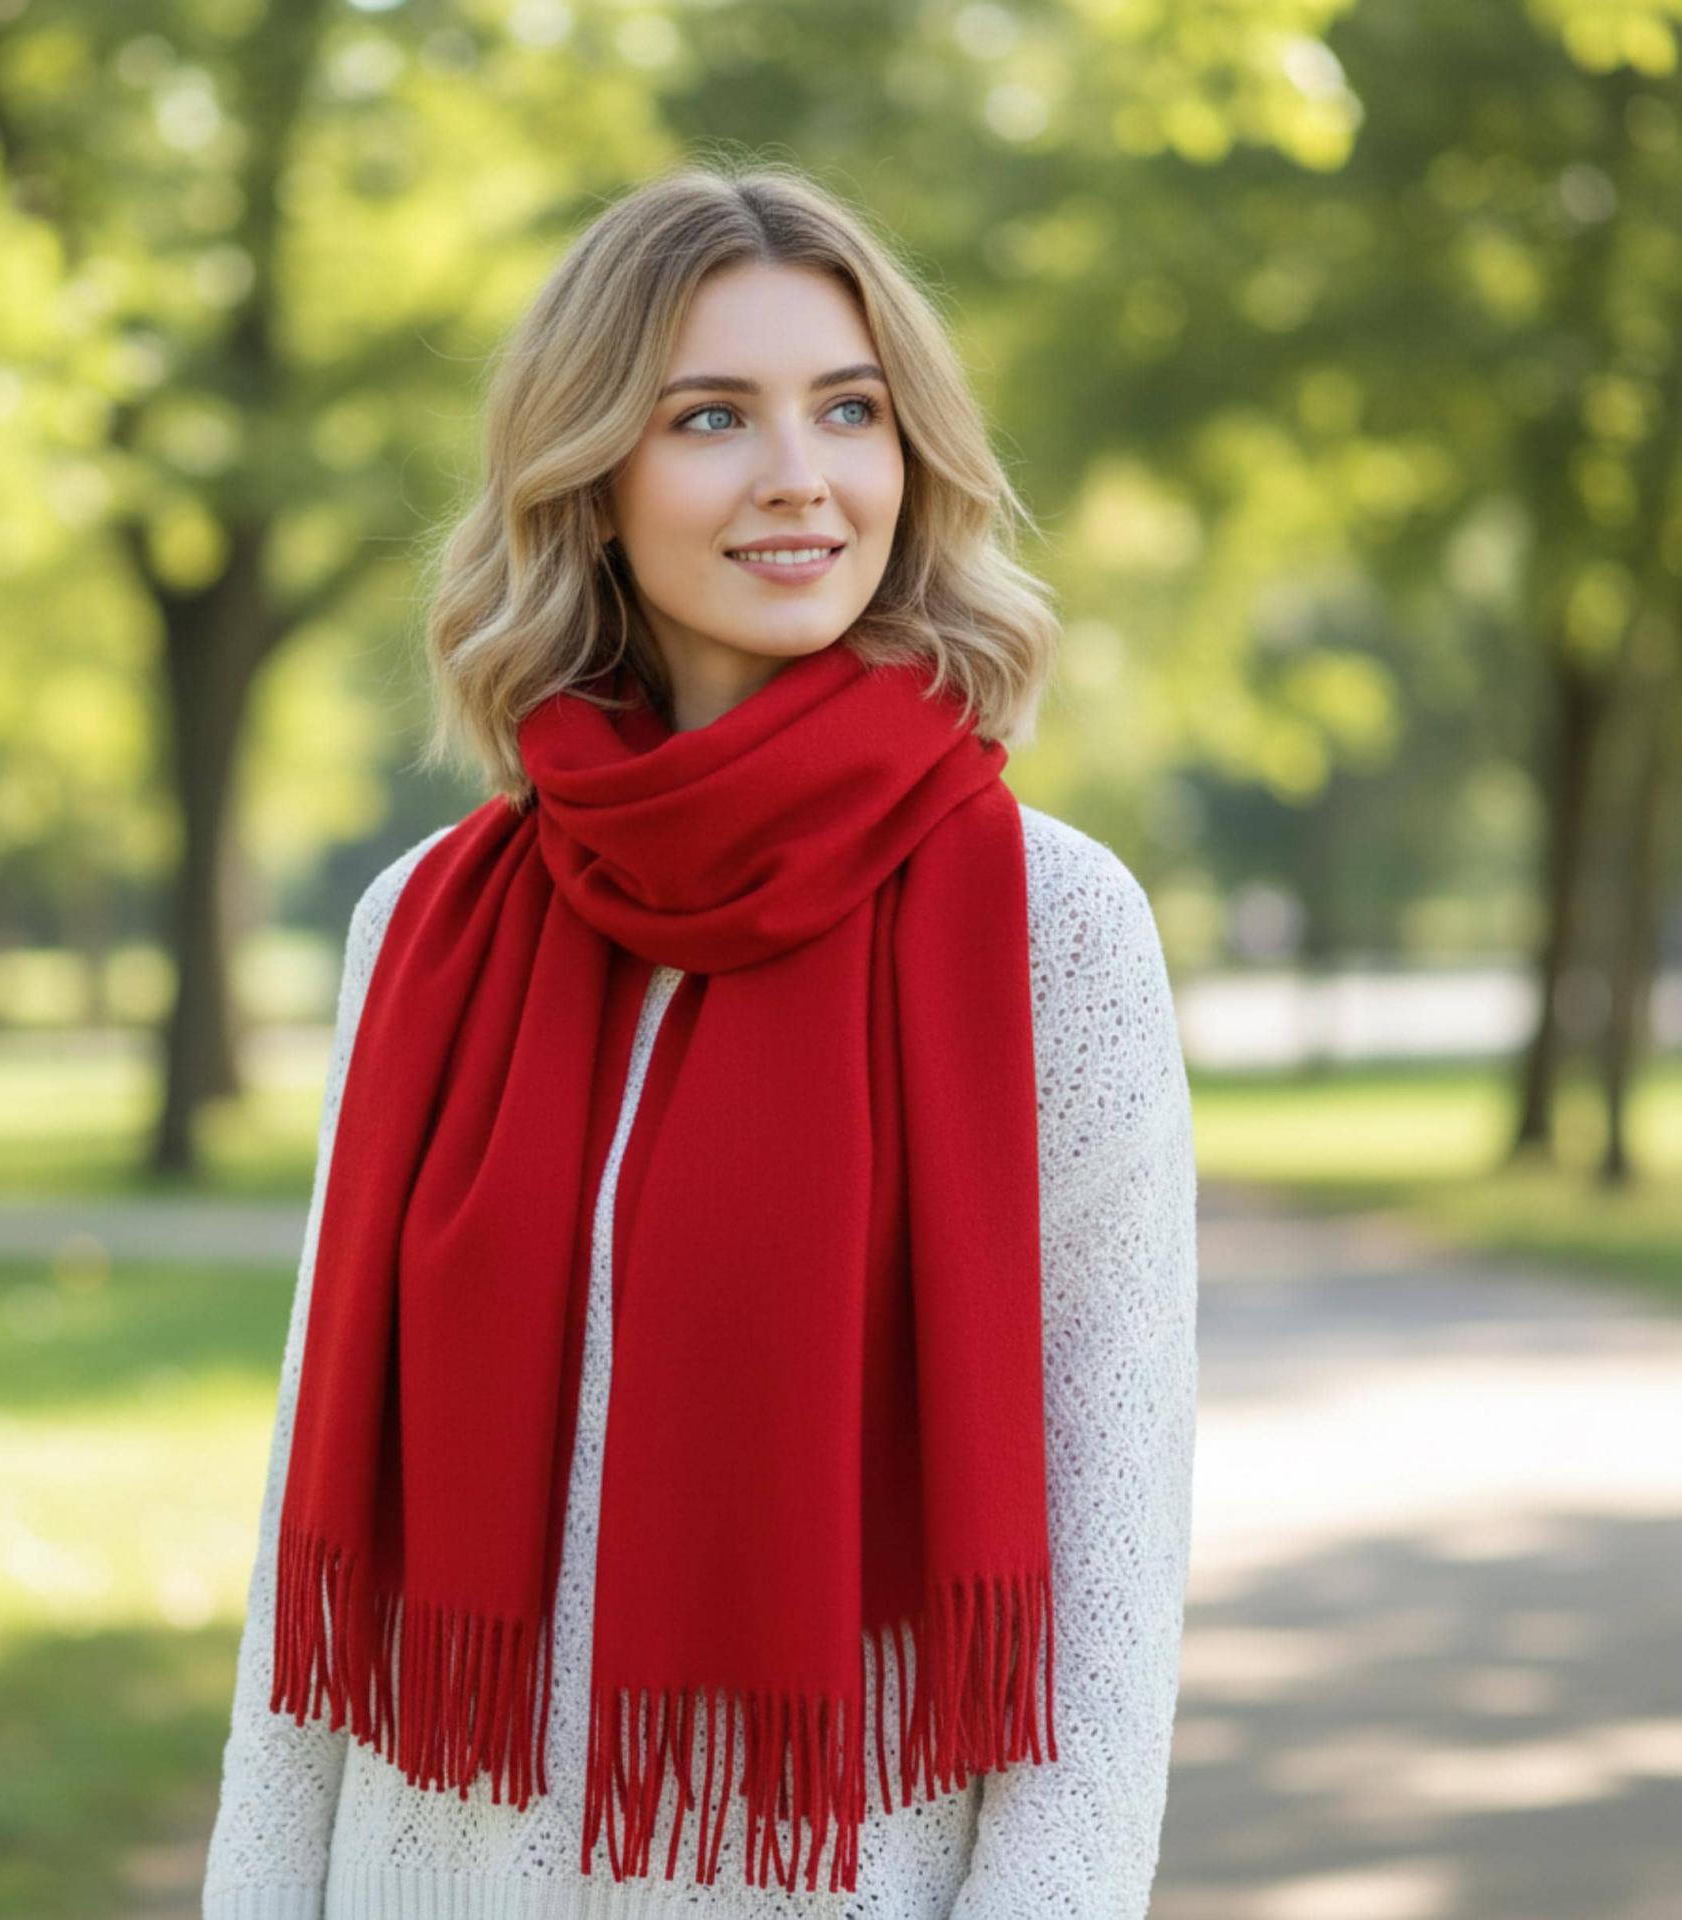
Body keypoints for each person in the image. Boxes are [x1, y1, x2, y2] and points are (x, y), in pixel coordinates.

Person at [202, 160, 1197, 1920]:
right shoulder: (426, 927)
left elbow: (1106, 1601)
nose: (799, 475)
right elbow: (314, 1571)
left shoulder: (1050, 930)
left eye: (850, 411)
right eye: (712, 417)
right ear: (591, 481)